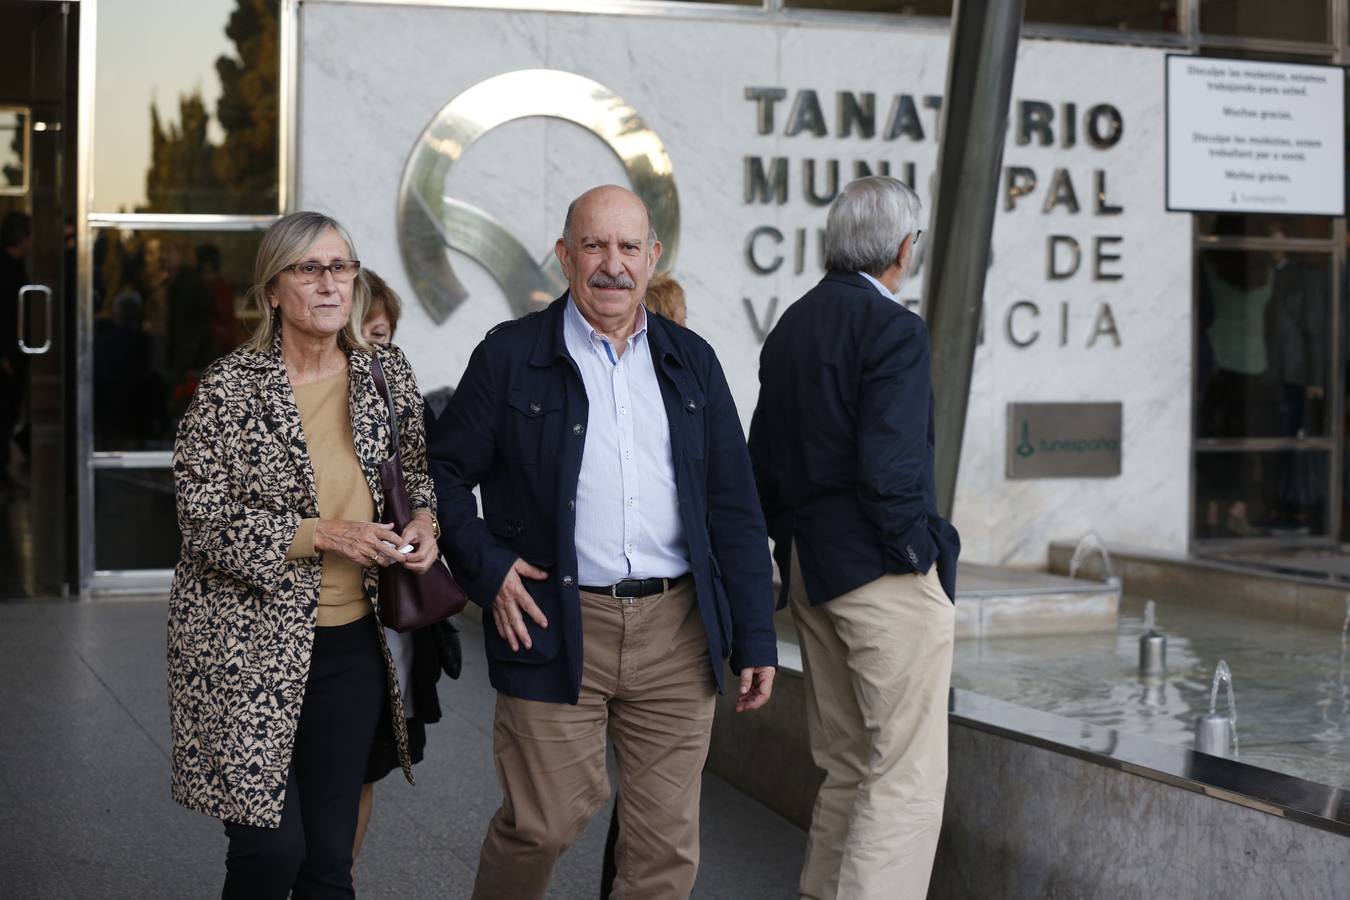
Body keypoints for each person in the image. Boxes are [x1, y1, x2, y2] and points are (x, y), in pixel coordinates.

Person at [430, 184, 777, 900]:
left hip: (677, 630)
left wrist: (757, 634)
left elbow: (734, 507)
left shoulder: (693, 363)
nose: (611, 264)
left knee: (663, 850)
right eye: (594, 245)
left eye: (627, 247)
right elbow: (441, 470)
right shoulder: (510, 356)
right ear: (564, 255)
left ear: (652, 259)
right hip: (553, 618)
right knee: (542, 824)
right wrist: (488, 569)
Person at [167, 211, 441, 898]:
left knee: (328, 860)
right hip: (243, 645)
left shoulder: (386, 372)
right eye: (309, 269)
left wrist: (429, 522)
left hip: (350, 645)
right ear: (273, 291)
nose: (329, 283)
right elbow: (199, 513)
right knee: (270, 851)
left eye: (341, 267)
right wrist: (319, 533)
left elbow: (416, 471)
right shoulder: (232, 387)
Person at [747, 175, 960, 900]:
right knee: (902, 775)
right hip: (876, 571)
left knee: (846, 764)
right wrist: (914, 555)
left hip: (811, 568)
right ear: (905, 247)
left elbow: (762, 464)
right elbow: (891, 468)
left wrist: (791, 550)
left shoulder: (792, 327)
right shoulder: (894, 328)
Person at [352, 268, 461, 862]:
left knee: (363, 768)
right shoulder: (264, 391)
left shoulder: (393, 383)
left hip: (385, 610)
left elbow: (422, 477)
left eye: (385, 337)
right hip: (304, 616)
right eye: (366, 335)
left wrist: (426, 522)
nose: (377, 353)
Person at [0, 211, 32, 483]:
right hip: (9, 357)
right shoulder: (8, 269)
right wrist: (5, 355)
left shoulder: (16, 266)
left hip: (15, 354)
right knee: (6, 409)